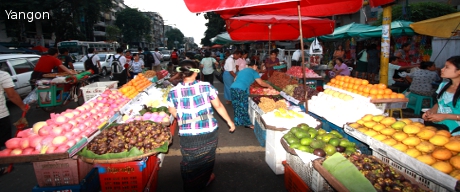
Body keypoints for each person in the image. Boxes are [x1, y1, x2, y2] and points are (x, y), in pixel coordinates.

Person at [166, 60, 235, 192]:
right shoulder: (206, 86)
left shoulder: (173, 91)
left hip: (188, 135)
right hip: (208, 131)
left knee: (189, 161)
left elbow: (173, 113)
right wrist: (229, 122)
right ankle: (205, 179)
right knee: (207, 158)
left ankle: (191, 184)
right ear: (196, 73)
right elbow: (219, 106)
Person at [422, 56, 460, 136]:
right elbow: (439, 103)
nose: (442, 69)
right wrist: (431, 111)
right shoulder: (443, 85)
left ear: (459, 71)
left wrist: (445, 116)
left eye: (447, 67)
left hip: (456, 132)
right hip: (440, 128)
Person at [1, 70, 29, 174]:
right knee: (4, 140)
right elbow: (11, 95)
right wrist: (23, 107)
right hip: (1, 115)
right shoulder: (2, 75)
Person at [231, 61, 273, 129]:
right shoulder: (253, 72)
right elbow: (261, 83)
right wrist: (269, 86)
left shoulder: (243, 70)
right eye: (256, 67)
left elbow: (235, 79)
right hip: (241, 89)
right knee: (243, 106)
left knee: (237, 105)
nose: (256, 68)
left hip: (233, 87)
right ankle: (248, 124)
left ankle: (238, 121)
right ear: (254, 66)